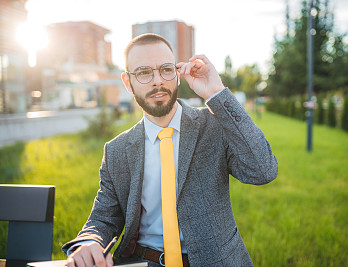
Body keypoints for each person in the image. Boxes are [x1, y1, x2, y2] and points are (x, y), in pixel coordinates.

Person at [63, 33, 278, 267]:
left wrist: (216, 92)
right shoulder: (117, 150)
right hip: (142, 261)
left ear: (177, 75)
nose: (158, 81)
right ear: (127, 82)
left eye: (166, 69)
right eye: (144, 72)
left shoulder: (215, 125)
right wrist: (89, 242)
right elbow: (104, 217)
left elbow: (263, 170)